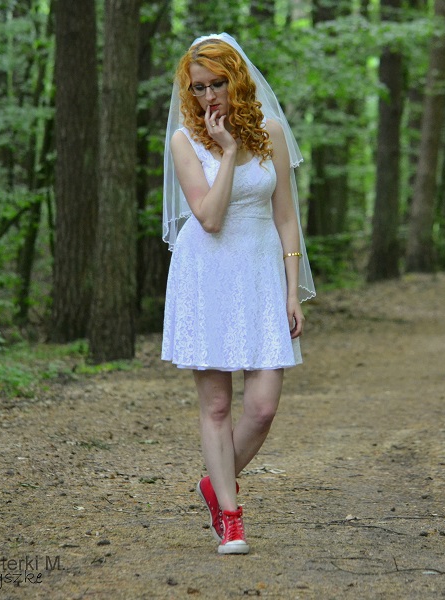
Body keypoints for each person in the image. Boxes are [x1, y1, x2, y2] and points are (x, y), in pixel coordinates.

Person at [160, 33, 315, 555]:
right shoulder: (184, 141)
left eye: (218, 83)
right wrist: (226, 152)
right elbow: (208, 217)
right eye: (198, 87)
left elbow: (286, 218)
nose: (209, 96)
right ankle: (230, 517)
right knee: (218, 405)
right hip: (207, 273)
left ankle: (214, 483)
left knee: (263, 407)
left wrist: (292, 292)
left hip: (260, 273)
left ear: (237, 79)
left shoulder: (272, 132)